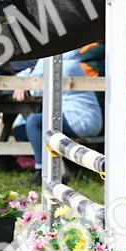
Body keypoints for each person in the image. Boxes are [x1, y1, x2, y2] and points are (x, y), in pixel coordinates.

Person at [10, 49, 104, 183]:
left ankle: (41, 170)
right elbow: (30, 75)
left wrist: (24, 86)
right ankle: (65, 167)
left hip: (81, 118)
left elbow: (38, 89)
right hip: (73, 117)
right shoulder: (62, 62)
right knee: (22, 130)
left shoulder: (66, 65)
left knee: (34, 122)